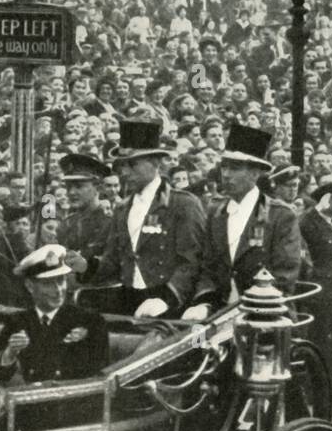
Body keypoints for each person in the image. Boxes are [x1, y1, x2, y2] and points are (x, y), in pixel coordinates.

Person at [93, 119, 209, 319]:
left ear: (155, 162)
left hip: (170, 304)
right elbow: (111, 261)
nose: (125, 172)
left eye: (132, 164)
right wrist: (83, 266)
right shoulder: (122, 208)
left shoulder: (182, 204)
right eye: (121, 166)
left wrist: (166, 298)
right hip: (129, 301)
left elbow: (191, 261)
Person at [195, 124, 302, 311]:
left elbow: (284, 275)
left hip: (266, 312)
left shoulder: (280, 215)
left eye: (235, 169)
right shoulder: (216, 212)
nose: (226, 175)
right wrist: (204, 302)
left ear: (254, 173)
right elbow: (208, 267)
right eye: (224, 168)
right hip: (219, 313)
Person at [0, 243, 109, 383]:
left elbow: (100, 378)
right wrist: (9, 354)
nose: (58, 290)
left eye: (61, 281)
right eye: (48, 283)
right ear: (30, 286)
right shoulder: (17, 321)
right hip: (27, 400)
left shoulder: (91, 321)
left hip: (72, 400)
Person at [299, 174, 332, 400]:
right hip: (320, 291)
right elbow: (304, 256)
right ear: (325, 199)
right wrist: (314, 278)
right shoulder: (307, 221)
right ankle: (316, 390)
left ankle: (330, 388)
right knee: (320, 341)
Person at [56, 152, 111, 286]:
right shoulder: (66, 224)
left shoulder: (112, 224)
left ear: (98, 187)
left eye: (79, 186)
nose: (71, 192)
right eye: (68, 187)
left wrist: (87, 266)